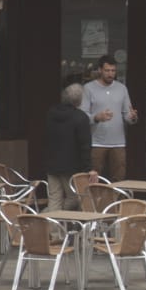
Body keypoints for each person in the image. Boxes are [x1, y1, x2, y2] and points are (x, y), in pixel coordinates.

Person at [83, 55, 137, 180]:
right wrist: (96, 117)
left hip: (118, 142)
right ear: (100, 70)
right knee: (93, 178)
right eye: (107, 70)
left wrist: (132, 117)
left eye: (113, 71)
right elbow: (82, 114)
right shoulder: (89, 88)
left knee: (119, 178)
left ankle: (117, 199)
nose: (110, 74)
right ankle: (94, 200)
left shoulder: (122, 88)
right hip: (96, 142)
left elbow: (127, 114)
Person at [44, 82, 95, 212]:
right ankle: (49, 217)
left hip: (52, 163)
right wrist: (88, 168)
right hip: (71, 167)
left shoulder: (51, 113)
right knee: (74, 198)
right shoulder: (80, 117)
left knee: (55, 198)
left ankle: (53, 229)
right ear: (79, 100)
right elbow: (84, 145)